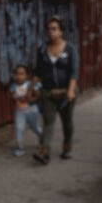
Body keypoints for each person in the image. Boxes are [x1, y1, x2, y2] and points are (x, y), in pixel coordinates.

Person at [32, 16, 79, 164]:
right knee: (48, 121)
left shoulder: (70, 49)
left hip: (65, 92)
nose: (50, 32)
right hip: (48, 92)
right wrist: (33, 87)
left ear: (61, 31)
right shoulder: (42, 50)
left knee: (67, 121)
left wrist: (71, 90)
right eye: (48, 29)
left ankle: (67, 147)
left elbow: (74, 72)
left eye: (54, 29)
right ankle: (44, 152)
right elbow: (38, 71)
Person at [9, 64, 42, 156]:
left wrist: (31, 94)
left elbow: (37, 96)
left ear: (27, 75)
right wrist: (14, 97)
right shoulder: (13, 85)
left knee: (35, 127)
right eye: (17, 74)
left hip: (32, 109)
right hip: (20, 110)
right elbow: (12, 95)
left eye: (22, 74)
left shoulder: (30, 84)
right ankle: (20, 148)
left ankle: (42, 139)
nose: (19, 76)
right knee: (19, 128)